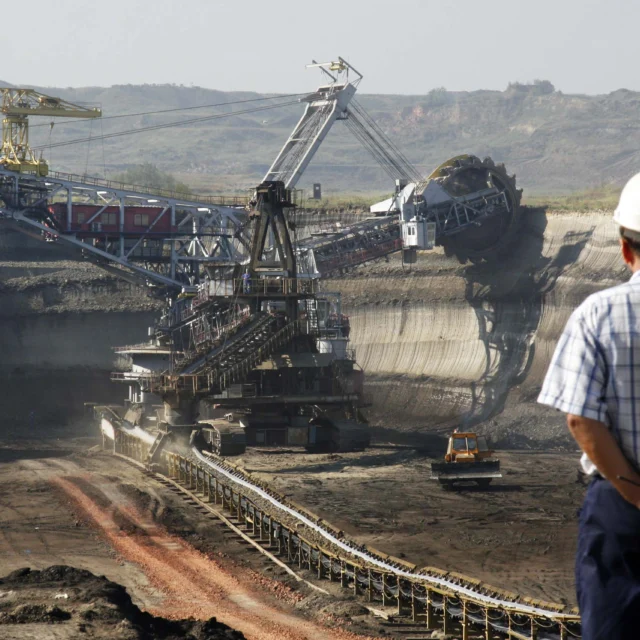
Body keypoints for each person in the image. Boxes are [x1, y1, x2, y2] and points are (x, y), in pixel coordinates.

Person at [538, 172, 640, 640]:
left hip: (621, 510)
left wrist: (634, 492)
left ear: (624, 248)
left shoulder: (598, 315)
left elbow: (581, 418)